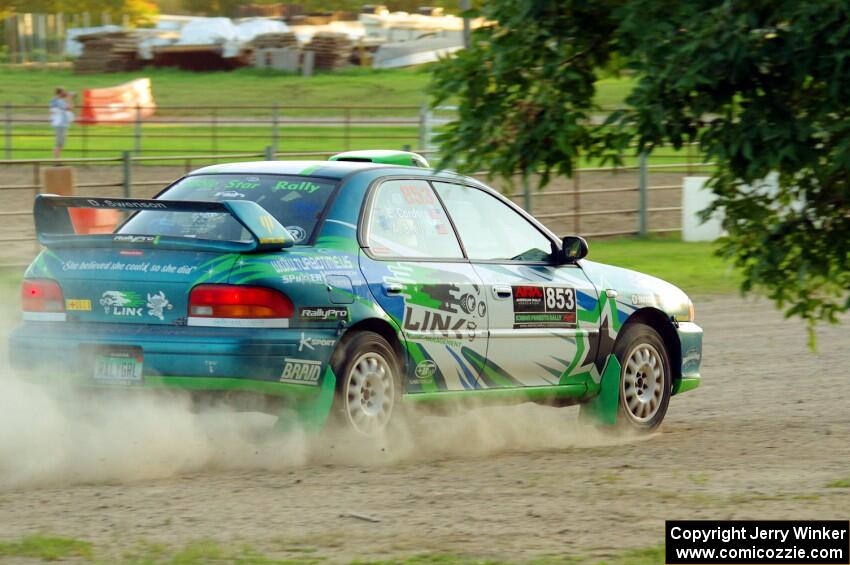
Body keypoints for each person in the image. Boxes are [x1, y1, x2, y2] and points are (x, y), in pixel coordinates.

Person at [49, 88, 74, 159]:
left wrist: (69, 99)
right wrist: (70, 98)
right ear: (59, 93)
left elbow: (69, 107)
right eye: (63, 92)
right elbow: (70, 107)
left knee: (61, 143)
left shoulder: (59, 101)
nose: (65, 93)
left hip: (62, 124)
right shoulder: (57, 101)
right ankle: (56, 161)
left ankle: (57, 159)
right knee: (59, 143)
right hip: (59, 124)